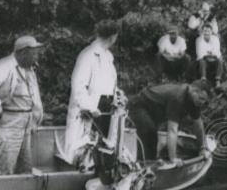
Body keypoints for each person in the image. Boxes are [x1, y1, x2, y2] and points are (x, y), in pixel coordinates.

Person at [0, 35, 44, 176]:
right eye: (35, 52)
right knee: (5, 163)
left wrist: (36, 118)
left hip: (26, 121)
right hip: (9, 120)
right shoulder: (4, 66)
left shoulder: (29, 68)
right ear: (24, 52)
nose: (37, 55)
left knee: (25, 165)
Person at [60, 20, 120, 166]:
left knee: (104, 147)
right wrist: (91, 108)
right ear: (113, 37)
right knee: (83, 150)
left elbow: (109, 84)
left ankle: (98, 174)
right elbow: (78, 86)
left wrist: (118, 95)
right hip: (89, 111)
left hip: (106, 109)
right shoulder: (87, 55)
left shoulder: (108, 57)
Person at [128, 80, 211, 163]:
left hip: (155, 109)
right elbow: (172, 130)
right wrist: (173, 158)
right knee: (149, 132)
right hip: (139, 105)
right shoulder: (178, 97)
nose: (202, 103)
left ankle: (151, 159)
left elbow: (198, 125)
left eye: (204, 101)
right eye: (201, 98)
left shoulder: (194, 100)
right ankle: (145, 163)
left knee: (153, 135)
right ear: (193, 91)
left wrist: (202, 148)